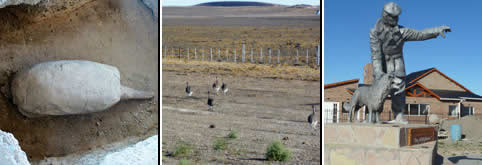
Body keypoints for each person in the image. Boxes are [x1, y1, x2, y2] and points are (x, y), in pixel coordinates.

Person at [369, 2, 451, 124]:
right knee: (378, 91)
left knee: (399, 90)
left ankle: (399, 116)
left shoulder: (402, 31)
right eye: (393, 17)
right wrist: (378, 71)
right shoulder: (375, 32)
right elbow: (375, 54)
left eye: (397, 17)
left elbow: (420, 34)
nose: (396, 19)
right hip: (382, 64)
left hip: (397, 63)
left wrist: (436, 30)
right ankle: (374, 116)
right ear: (385, 16)